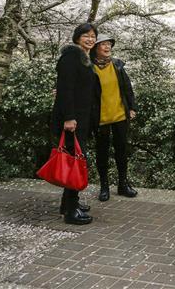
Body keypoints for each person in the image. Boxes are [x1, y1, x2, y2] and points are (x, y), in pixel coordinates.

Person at [51, 22, 100, 225]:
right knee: (74, 162)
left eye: (93, 36)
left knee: (75, 158)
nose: (90, 39)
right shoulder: (71, 57)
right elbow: (66, 89)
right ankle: (71, 212)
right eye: (85, 35)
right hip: (72, 120)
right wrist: (69, 117)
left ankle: (69, 203)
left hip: (81, 118)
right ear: (77, 37)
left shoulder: (85, 59)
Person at [91, 33, 138, 201]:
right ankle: (104, 186)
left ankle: (123, 184)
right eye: (103, 44)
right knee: (102, 152)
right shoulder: (89, 67)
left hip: (119, 114)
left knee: (122, 150)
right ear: (95, 48)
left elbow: (127, 88)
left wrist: (131, 108)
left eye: (109, 44)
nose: (107, 47)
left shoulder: (117, 65)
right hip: (100, 117)